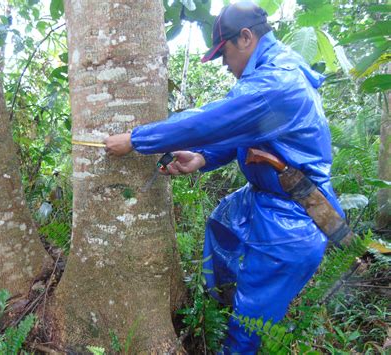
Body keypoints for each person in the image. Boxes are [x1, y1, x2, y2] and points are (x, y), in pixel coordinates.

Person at [104, 1, 344, 353]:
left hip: (292, 214)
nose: (225, 65)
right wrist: (202, 157)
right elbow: (252, 135)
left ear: (245, 38)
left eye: (224, 54)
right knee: (221, 226)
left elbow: (209, 120)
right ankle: (215, 310)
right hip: (260, 196)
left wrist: (136, 140)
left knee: (250, 320)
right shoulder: (272, 71)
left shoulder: (277, 82)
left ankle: (235, 333)